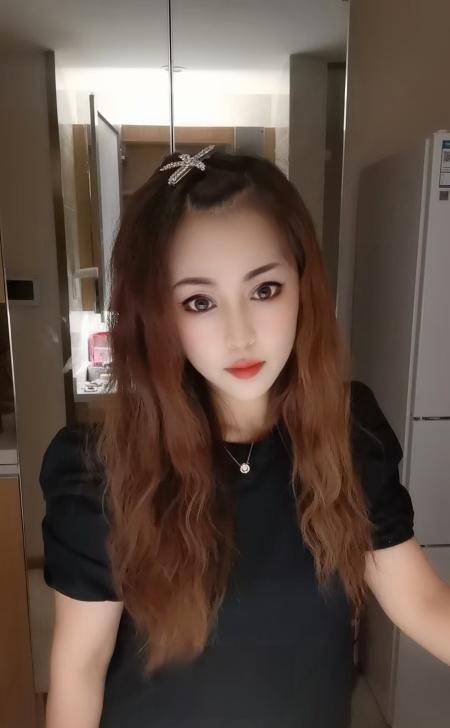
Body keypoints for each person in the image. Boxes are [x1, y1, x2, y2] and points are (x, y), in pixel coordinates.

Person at [39, 147, 449, 728]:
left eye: (264, 290)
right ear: (158, 315)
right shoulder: (99, 470)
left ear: (302, 284)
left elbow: (423, 603)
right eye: (199, 301)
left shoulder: (348, 432)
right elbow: (79, 670)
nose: (240, 335)